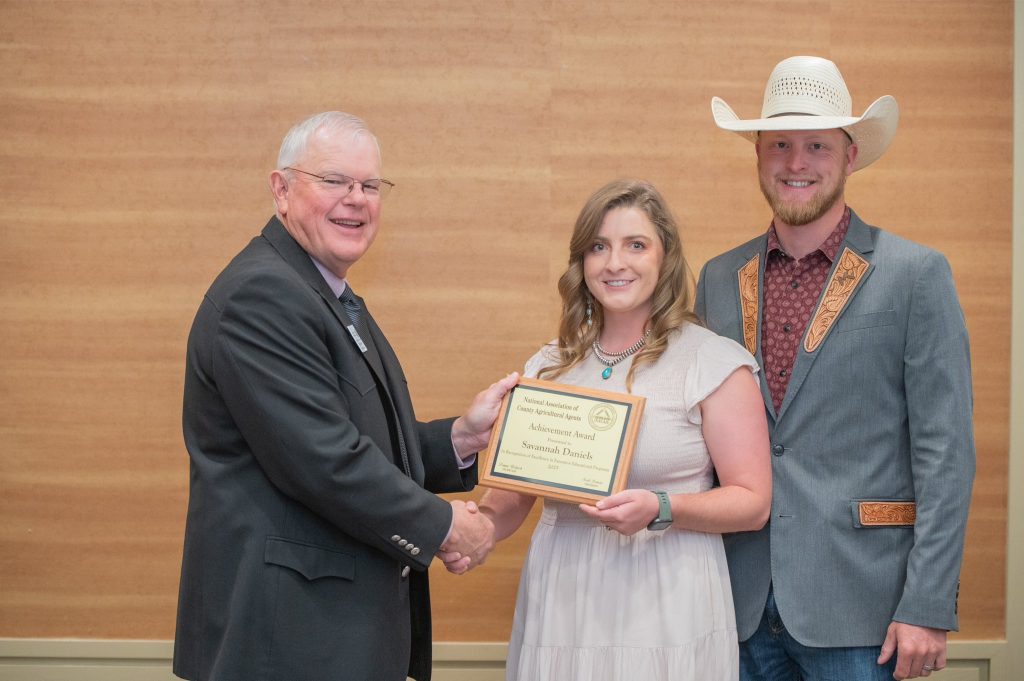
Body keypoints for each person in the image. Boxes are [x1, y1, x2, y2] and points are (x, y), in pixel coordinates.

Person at [173, 111, 516, 681]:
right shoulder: (264, 295)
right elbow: (325, 461)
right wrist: (445, 526)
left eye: (369, 185)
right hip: (286, 640)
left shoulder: (325, 292)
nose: (355, 199)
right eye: (334, 181)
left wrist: (458, 438)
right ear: (281, 190)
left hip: (327, 636)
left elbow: (351, 440)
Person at [695, 56, 976, 681]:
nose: (797, 164)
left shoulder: (916, 275)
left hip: (864, 610)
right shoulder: (718, 279)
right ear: (759, 156)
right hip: (734, 605)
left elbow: (946, 451)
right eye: (780, 145)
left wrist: (928, 603)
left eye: (817, 145)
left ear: (850, 156)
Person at [450, 180, 772, 681]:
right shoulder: (548, 365)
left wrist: (661, 508)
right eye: (598, 246)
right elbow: (514, 495)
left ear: (665, 258)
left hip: (666, 593)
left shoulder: (711, 362)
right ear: (582, 263)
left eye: (635, 245)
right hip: (562, 593)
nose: (615, 263)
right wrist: (479, 531)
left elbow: (752, 502)